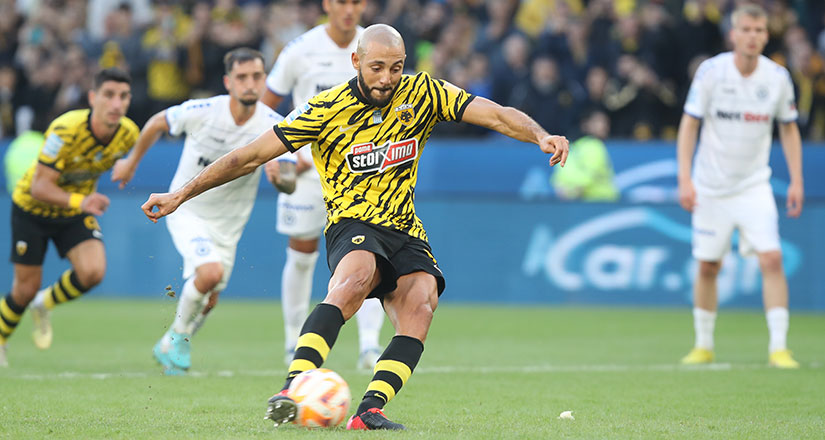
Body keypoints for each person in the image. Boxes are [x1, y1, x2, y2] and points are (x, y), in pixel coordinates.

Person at [141, 24, 568, 429]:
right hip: (351, 223)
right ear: (356, 62)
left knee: (422, 303)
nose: (386, 78)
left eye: (395, 67)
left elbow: (496, 115)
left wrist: (540, 135)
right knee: (356, 278)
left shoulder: (423, 93)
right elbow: (249, 156)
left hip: (404, 226)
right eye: (377, 67)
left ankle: (369, 411)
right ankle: (293, 388)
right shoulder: (326, 108)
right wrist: (181, 194)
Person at [111, 48, 283, 375]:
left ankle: (170, 342)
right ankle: (178, 337)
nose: (250, 83)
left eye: (256, 76)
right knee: (210, 273)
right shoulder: (204, 110)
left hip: (229, 226)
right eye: (242, 77)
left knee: (210, 298)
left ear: (265, 80)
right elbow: (156, 122)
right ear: (228, 82)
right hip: (186, 209)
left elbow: (291, 174)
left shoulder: (274, 124)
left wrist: (281, 177)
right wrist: (131, 162)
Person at [676, 4, 804, 369]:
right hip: (711, 186)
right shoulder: (711, 72)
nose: (752, 36)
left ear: (766, 35)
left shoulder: (777, 77)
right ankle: (703, 345)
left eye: (759, 30)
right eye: (746, 29)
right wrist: (685, 178)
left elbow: (789, 128)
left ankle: (779, 348)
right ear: (733, 34)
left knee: (772, 258)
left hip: (753, 185)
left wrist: (796, 179)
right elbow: (689, 124)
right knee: (708, 266)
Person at [261, 0, 386, 370]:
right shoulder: (300, 50)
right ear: (327, 4)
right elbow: (267, 106)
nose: (349, 9)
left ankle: (369, 346)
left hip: (363, 173)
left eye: (356, 2)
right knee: (301, 255)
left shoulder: (375, 46)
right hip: (307, 170)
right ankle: (293, 343)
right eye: (341, 1)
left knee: (371, 256)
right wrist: (276, 157)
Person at [0, 68, 137, 367]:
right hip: (33, 209)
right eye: (109, 95)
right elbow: (39, 187)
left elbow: (131, 149)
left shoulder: (128, 133)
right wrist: (82, 200)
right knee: (24, 289)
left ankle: (43, 303)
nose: (117, 103)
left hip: (74, 210)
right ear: (92, 98)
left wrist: (129, 165)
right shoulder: (64, 130)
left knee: (93, 272)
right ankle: (1, 338)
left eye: (124, 96)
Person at [551, 109, 619, 201]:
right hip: (601, 202)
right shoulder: (595, 146)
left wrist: (567, 192)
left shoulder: (570, 147)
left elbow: (559, 179)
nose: (603, 126)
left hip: (577, 203)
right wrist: (574, 191)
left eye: (605, 122)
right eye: (598, 122)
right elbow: (590, 176)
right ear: (585, 124)